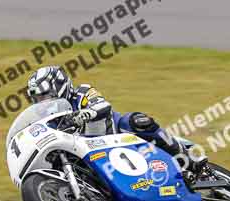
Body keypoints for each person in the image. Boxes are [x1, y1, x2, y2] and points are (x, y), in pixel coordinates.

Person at [26, 65, 209, 176]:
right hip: (91, 155)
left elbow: (103, 105)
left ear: (60, 87)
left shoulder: (82, 92)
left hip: (116, 137)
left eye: (45, 96)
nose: (43, 102)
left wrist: (84, 114)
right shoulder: (49, 118)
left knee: (136, 120)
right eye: (38, 100)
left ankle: (187, 158)